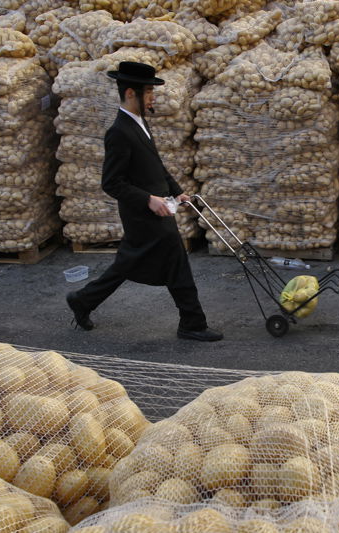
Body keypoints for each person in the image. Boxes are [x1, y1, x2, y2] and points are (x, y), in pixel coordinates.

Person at [66, 61, 223, 342]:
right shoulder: (118, 131)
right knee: (173, 262)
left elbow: (155, 166)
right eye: (148, 92)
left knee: (131, 265)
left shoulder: (139, 123)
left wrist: (176, 191)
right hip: (142, 216)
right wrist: (148, 200)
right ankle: (192, 323)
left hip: (155, 210)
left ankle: (83, 299)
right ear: (130, 93)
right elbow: (111, 182)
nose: (153, 97)